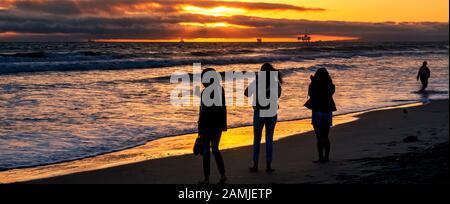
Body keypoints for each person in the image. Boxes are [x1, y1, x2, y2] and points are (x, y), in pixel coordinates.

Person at [245, 63, 282, 173]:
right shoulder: (275, 83)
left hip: (259, 112)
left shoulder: (257, 81)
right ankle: (268, 166)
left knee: (257, 139)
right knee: (269, 139)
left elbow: (246, 93)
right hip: (271, 112)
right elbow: (278, 95)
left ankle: (255, 165)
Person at [198, 68, 227, 184]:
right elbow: (223, 109)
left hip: (207, 125)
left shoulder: (205, 92)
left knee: (206, 152)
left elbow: (202, 112)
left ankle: (206, 178)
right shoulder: (221, 90)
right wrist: (223, 124)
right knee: (215, 149)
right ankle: (223, 175)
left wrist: (200, 128)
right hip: (218, 125)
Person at [304, 68, 336, 163]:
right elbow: (329, 93)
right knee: (326, 136)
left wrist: (313, 82)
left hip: (317, 110)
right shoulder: (330, 85)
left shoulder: (314, 84)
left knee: (319, 137)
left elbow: (311, 94)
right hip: (327, 111)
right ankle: (326, 157)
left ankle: (320, 157)